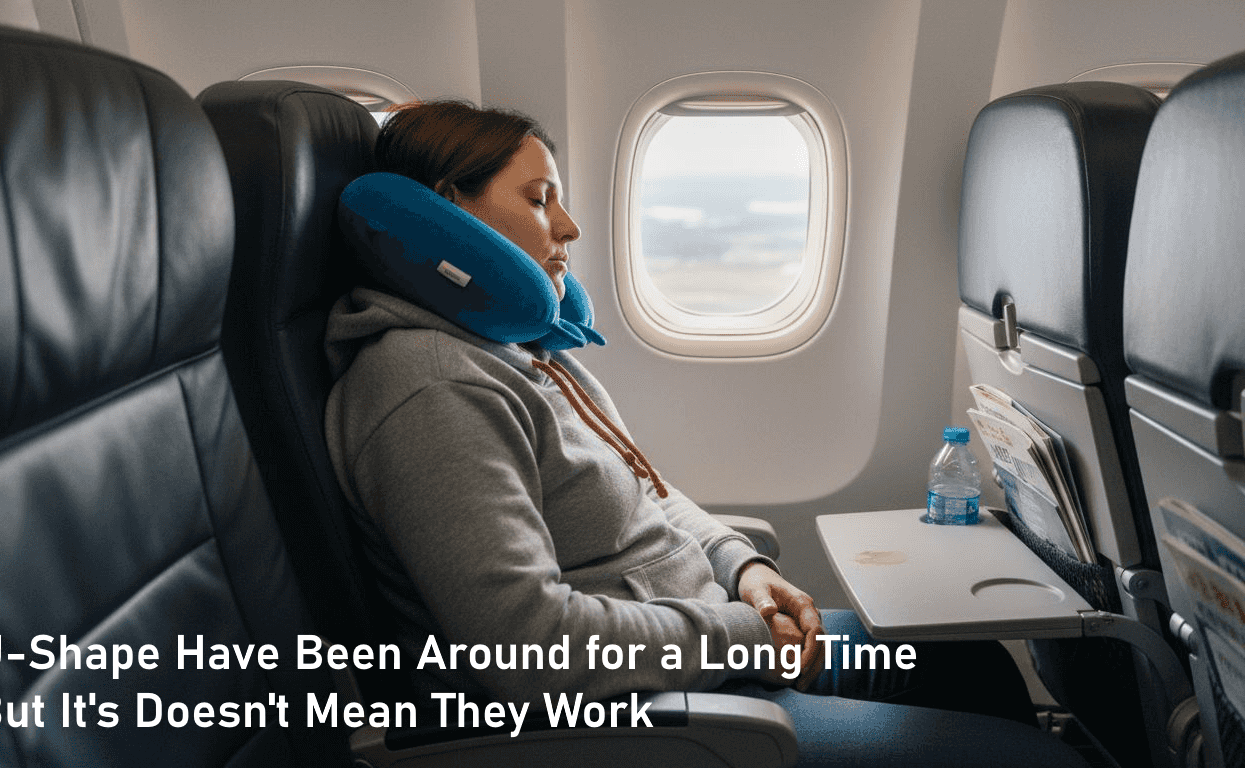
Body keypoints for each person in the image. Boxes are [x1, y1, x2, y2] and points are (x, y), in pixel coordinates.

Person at [324, 100, 1044, 759]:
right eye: (541, 200)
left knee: (972, 669)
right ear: (452, 214)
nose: (569, 227)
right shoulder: (431, 388)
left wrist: (745, 569)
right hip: (640, 716)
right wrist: (746, 637)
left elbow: (648, 492)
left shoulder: (520, 351)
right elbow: (529, 650)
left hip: (710, 650)